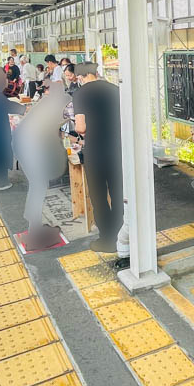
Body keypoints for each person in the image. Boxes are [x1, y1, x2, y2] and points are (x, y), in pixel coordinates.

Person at [72, 64, 122, 254]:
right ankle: (120, 235)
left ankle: (107, 239)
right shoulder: (114, 89)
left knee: (99, 195)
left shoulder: (81, 94)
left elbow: (81, 127)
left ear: (81, 77)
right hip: (117, 149)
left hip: (96, 151)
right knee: (118, 193)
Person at [12, 80, 67, 249]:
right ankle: (34, 232)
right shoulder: (64, 104)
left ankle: (34, 225)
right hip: (30, 144)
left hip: (19, 141)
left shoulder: (47, 101)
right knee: (39, 185)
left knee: (36, 185)